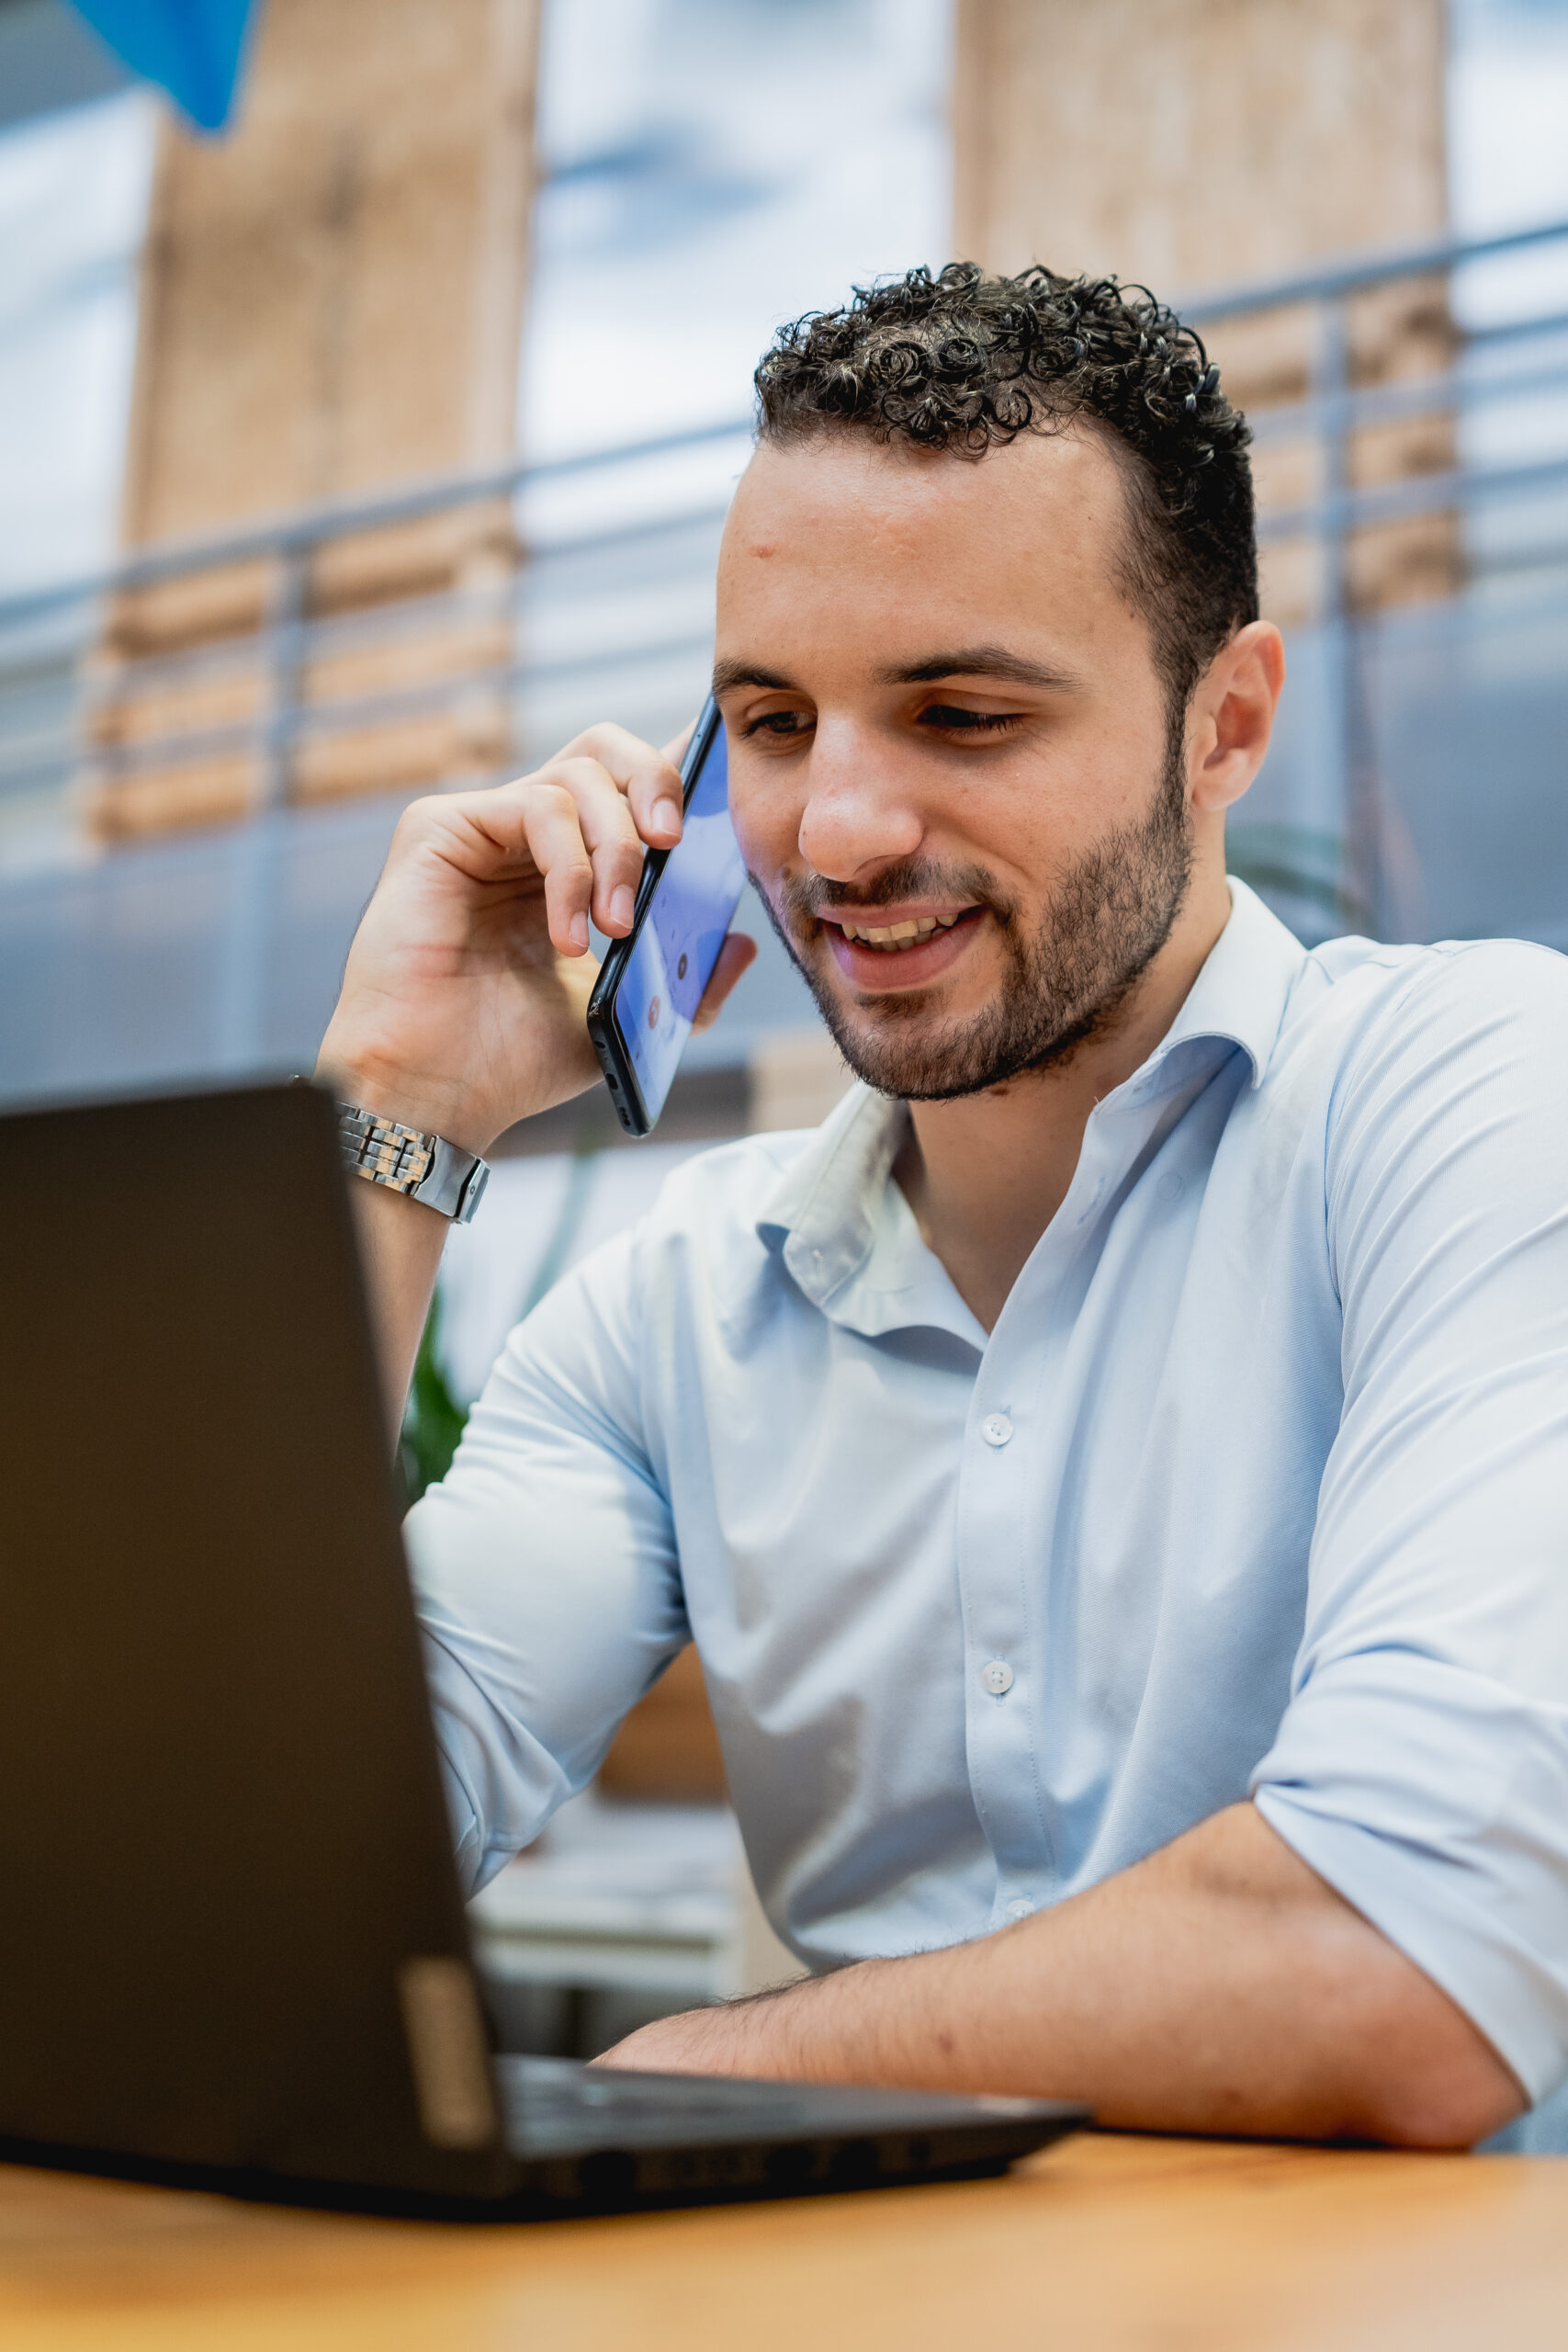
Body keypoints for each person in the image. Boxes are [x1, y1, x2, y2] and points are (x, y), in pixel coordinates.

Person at [318, 264, 1568, 2150]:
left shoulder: (1470, 1100)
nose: (833, 831)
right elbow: (238, 1859)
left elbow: (1391, 1959)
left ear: (1221, 723)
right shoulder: (669, 1310)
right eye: (771, 720)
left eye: (960, 712)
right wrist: (401, 1106)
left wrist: (685, 2076)